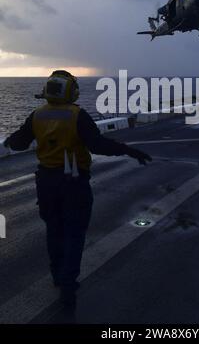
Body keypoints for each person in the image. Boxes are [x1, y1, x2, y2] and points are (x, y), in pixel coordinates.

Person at [4, 70, 152, 308]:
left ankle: (56, 275)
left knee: (54, 230)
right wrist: (129, 150)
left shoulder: (37, 115)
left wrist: (10, 139)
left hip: (46, 182)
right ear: (70, 91)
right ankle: (68, 285)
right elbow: (98, 145)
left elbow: (19, 143)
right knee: (74, 233)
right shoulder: (77, 115)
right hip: (73, 182)